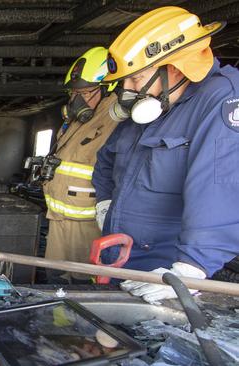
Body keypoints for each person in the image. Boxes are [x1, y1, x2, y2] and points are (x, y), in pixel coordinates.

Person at [92, 6, 239, 303]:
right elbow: (107, 158)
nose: (127, 90)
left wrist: (189, 269)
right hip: (119, 255)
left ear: (173, 68)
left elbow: (220, 190)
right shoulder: (157, 103)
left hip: (164, 271)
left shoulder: (221, 102)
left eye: (136, 79)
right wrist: (105, 201)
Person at [42, 47, 118, 284]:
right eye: (74, 93)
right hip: (58, 216)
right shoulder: (76, 120)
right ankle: (57, 321)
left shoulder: (115, 117)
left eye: (85, 92)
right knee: (55, 275)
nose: (77, 100)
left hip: (86, 221)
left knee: (82, 279)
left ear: (108, 89)